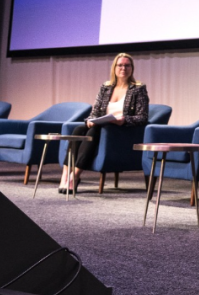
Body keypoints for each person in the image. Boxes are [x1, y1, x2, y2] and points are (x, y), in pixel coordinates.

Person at [59, 52, 149, 192]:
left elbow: (143, 117)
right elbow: (95, 112)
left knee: (94, 131)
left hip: (121, 131)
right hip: (102, 127)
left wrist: (124, 120)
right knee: (78, 130)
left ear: (132, 68)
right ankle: (65, 176)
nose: (123, 68)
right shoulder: (106, 87)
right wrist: (90, 120)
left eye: (127, 65)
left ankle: (75, 176)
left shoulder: (138, 88)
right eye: (120, 65)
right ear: (114, 68)